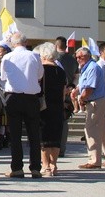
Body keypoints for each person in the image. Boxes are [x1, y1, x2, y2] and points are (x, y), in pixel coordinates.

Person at [0, 31, 43, 178]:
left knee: (15, 134)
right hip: (31, 97)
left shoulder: (7, 57)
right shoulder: (35, 56)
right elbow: (39, 75)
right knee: (34, 134)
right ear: (25, 42)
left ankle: (17, 167)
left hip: (13, 97)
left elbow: (3, 77)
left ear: (13, 43)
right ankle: (36, 167)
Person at [72, 46, 105, 169]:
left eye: (80, 57)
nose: (77, 59)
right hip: (97, 101)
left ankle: (94, 160)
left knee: (91, 130)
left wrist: (81, 98)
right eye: (76, 57)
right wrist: (76, 90)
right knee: (101, 130)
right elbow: (84, 84)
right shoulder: (87, 67)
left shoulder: (92, 67)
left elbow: (89, 88)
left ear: (86, 56)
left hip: (95, 102)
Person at [34, 42, 66, 176]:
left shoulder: (41, 69)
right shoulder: (61, 71)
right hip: (58, 106)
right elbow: (64, 92)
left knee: (44, 138)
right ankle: (54, 165)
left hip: (44, 106)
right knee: (55, 137)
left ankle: (45, 166)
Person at [55, 35, 77, 156]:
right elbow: (76, 76)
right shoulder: (72, 59)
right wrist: (71, 87)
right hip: (67, 94)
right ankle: (62, 149)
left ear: (56, 45)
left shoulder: (53, 58)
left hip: (55, 93)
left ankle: (53, 147)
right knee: (64, 122)